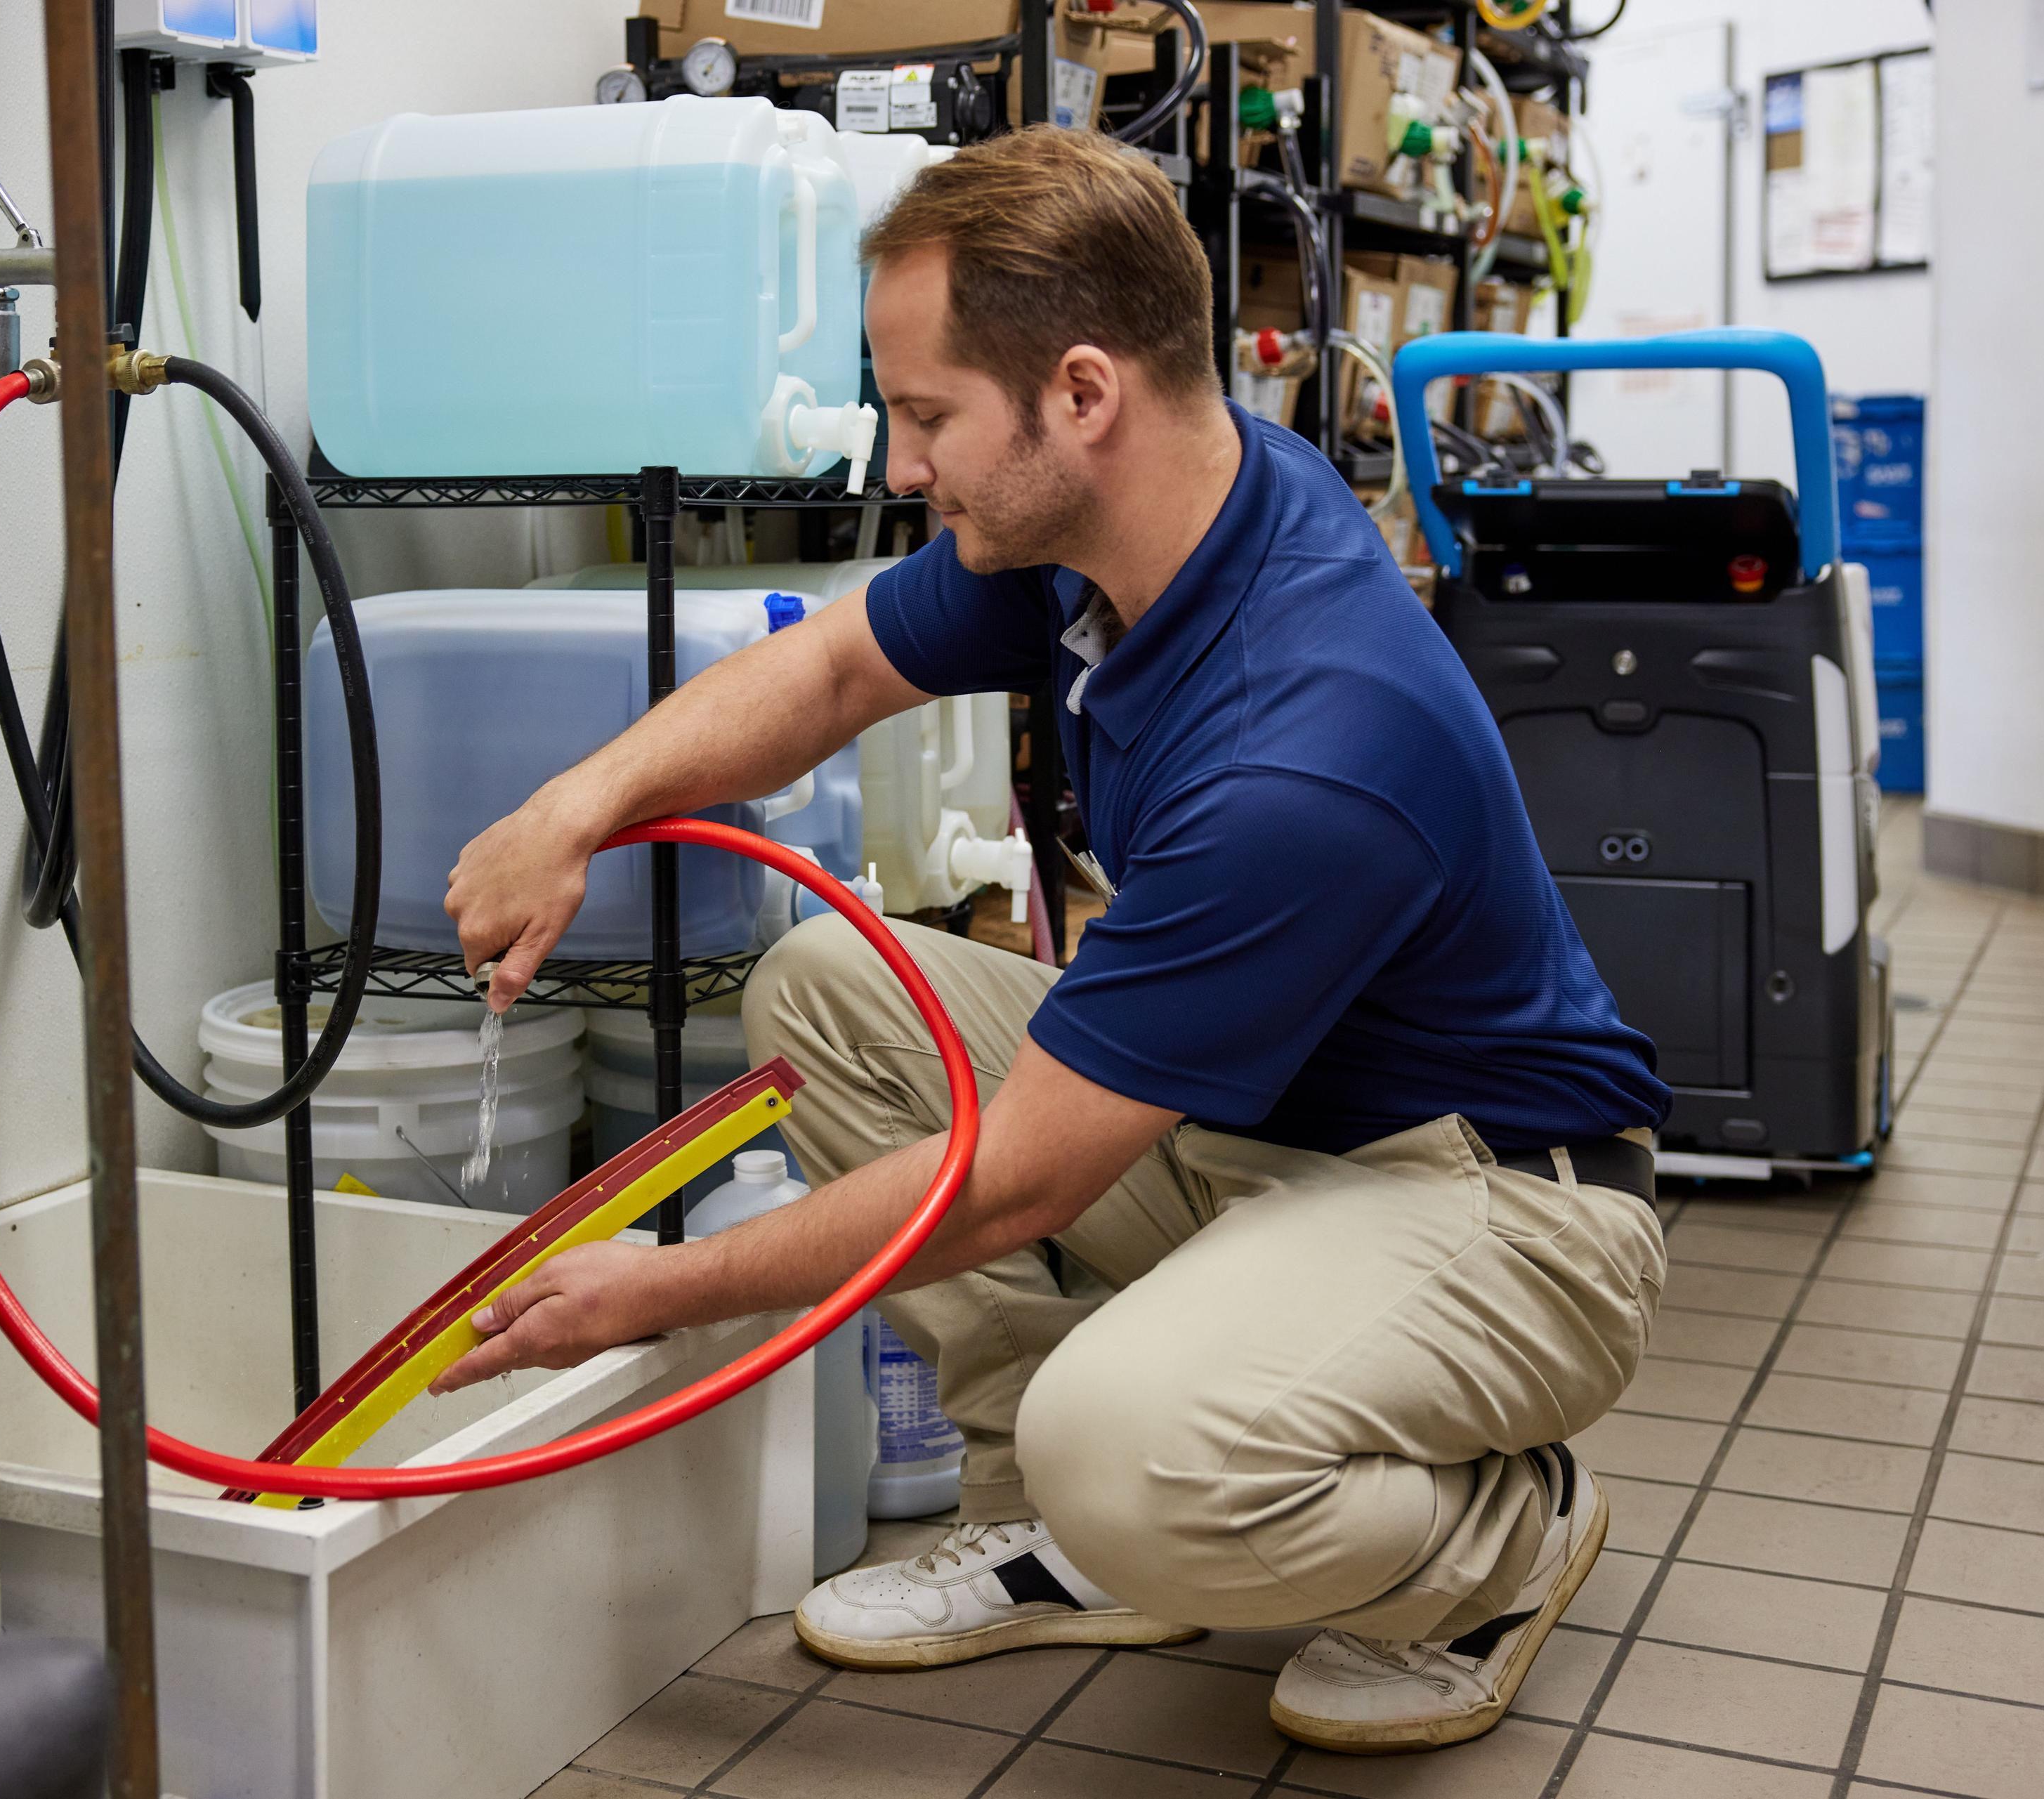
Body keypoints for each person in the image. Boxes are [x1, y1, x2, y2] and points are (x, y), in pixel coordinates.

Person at [435, 126, 1670, 1755]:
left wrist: (666, 1293)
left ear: (1082, 394)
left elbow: (1017, 1181)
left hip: (1499, 1202)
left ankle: (1495, 1543)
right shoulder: (1139, 527)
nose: (897, 466)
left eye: (928, 416)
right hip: (1261, 1131)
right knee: (828, 996)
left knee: (1132, 1441)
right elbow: (826, 674)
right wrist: (571, 807)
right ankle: (1070, 1543)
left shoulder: (1309, 741)